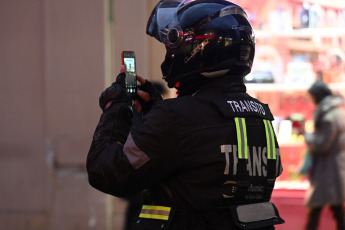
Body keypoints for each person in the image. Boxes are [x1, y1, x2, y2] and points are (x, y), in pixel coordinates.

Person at [86, 1, 284, 229]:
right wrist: (155, 111)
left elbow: (107, 172)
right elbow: (201, 162)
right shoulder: (260, 115)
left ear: (195, 49)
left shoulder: (176, 119)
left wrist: (116, 108)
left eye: (171, 47)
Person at [304, 80, 345, 230]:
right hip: (334, 168)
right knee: (336, 209)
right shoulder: (336, 111)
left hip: (328, 169)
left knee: (317, 207)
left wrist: (307, 136)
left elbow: (322, 144)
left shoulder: (328, 116)